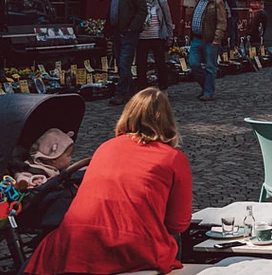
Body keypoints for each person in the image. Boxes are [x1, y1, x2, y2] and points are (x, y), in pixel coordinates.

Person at [25, 88, 191, 275]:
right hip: (134, 248)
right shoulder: (173, 158)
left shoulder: (105, 148)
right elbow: (178, 224)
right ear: (168, 121)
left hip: (75, 242)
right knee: (174, 241)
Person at [105, 0, 146, 106]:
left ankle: (120, 93)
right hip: (118, 31)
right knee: (121, 63)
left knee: (124, 63)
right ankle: (129, 92)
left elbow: (142, 11)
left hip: (128, 33)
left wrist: (131, 28)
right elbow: (111, 11)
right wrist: (107, 30)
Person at [188, 0, 227, 102]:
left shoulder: (217, 2)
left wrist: (217, 38)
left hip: (210, 40)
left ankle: (208, 92)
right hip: (196, 38)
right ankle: (206, 86)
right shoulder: (199, 0)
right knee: (193, 63)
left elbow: (221, 22)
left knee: (210, 66)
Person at [136, 0, 175, 92]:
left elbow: (168, 20)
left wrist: (170, 36)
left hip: (158, 37)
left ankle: (163, 86)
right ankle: (142, 87)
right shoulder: (138, 3)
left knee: (160, 62)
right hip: (142, 38)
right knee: (141, 63)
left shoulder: (161, 3)